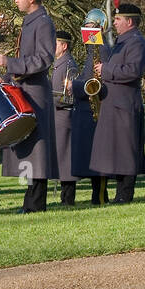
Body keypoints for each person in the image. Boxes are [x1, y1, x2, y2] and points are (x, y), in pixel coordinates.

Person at [0, 0, 58, 213]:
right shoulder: (30, 21)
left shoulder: (43, 23)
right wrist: (5, 78)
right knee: (28, 150)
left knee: (37, 151)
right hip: (24, 90)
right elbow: (26, 62)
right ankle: (30, 202)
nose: (16, 0)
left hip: (35, 94)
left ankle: (36, 204)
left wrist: (9, 62)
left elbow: (43, 60)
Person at [89, 1, 145, 203]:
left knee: (126, 151)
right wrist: (99, 39)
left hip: (125, 104)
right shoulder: (123, 41)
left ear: (129, 21)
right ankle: (119, 194)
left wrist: (106, 71)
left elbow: (133, 71)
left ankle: (124, 195)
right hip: (114, 103)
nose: (114, 22)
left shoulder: (136, 42)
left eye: (117, 19)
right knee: (117, 150)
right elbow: (109, 59)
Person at [49, 31, 89, 206]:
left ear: (64, 46)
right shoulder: (59, 64)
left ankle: (68, 198)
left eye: (55, 43)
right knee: (62, 160)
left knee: (66, 161)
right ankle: (65, 197)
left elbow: (68, 96)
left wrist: (48, 98)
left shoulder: (68, 65)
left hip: (64, 116)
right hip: (57, 116)